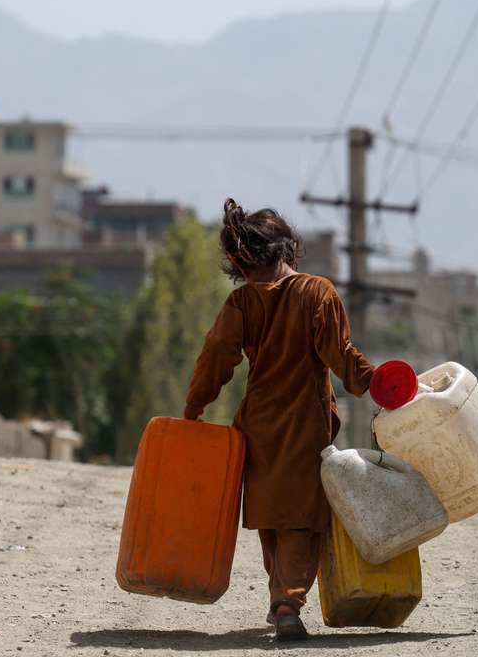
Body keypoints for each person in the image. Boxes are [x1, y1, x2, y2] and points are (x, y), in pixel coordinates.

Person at [182, 198, 375, 641]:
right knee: (301, 519)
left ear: (241, 262)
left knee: (272, 516)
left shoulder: (241, 303)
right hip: (306, 425)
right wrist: (376, 383)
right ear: (287, 247)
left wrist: (195, 406)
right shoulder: (317, 293)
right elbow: (342, 356)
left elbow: (215, 357)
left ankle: (282, 598)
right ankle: (287, 601)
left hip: (257, 426)